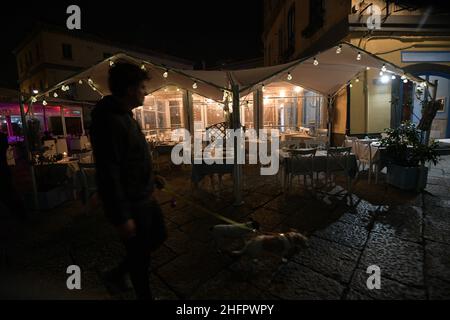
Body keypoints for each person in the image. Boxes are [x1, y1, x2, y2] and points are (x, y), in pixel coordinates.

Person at [90, 63, 167, 300]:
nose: (146, 92)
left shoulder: (125, 116)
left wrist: (151, 177)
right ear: (130, 89)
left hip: (144, 195)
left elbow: (131, 158)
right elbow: (108, 172)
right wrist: (122, 217)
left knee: (159, 236)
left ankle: (116, 273)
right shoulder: (109, 121)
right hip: (132, 203)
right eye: (142, 87)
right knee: (140, 257)